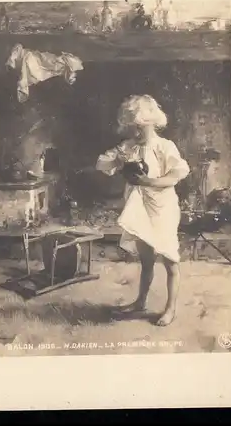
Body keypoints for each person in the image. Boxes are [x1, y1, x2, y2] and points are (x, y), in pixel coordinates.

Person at [96, 95, 190, 326]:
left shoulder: (164, 147)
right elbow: (102, 163)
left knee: (170, 260)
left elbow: (176, 175)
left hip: (162, 207)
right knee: (147, 260)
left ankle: (170, 308)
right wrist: (118, 160)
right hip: (140, 207)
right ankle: (141, 302)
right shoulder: (128, 147)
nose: (134, 130)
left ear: (149, 122)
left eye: (138, 126)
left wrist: (148, 182)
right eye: (131, 126)